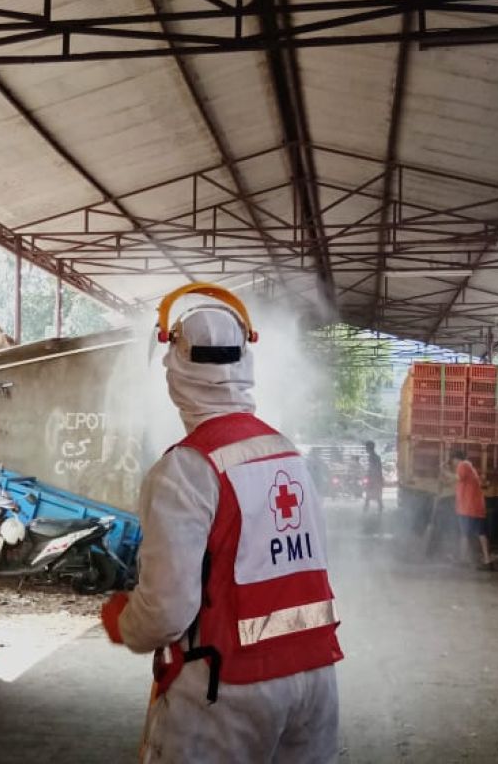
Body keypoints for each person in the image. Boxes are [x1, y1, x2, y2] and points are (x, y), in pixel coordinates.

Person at [99, 283, 343, 763]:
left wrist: (125, 622)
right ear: (245, 364)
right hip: (315, 680)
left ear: (175, 372)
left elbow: (167, 611)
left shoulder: (187, 468)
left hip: (228, 686)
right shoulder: (288, 455)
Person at [450, 448, 491, 567]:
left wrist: (445, 473)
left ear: (456, 459)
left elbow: (458, 478)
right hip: (475, 507)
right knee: (480, 534)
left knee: (465, 534)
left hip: (468, 508)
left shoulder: (462, 465)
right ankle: (487, 560)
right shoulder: (469, 467)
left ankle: (463, 560)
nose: (452, 463)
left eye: (452, 460)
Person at [363, 440, 384, 514]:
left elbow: (373, 469)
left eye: (366, 447)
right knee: (375, 496)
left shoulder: (372, 457)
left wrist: (369, 477)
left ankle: (365, 511)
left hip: (374, 479)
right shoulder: (375, 457)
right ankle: (379, 509)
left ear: (369, 448)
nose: (365, 449)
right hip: (376, 479)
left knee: (370, 496)